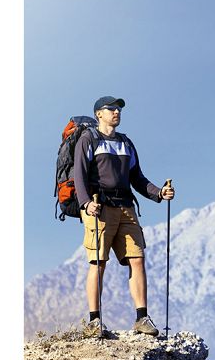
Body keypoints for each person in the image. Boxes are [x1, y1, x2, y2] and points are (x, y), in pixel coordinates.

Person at [74, 95, 175, 336]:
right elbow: (79, 175)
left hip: (126, 207)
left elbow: (137, 178)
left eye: (118, 109)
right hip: (99, 207)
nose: (116, 112)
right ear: (99, 113)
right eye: (111, 109)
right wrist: (86, 203)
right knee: (98, 262)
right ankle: (94, 321)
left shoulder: (125, 143)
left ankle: (142, 318)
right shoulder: (89, 139)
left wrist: (159, 193)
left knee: (137, 258)